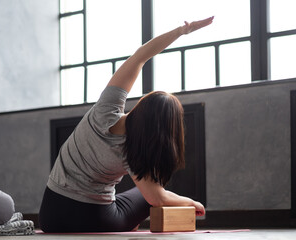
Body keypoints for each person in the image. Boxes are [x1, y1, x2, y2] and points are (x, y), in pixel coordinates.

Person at [39, 16, 214, 233]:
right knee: (146, 194)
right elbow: (156, 197)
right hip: (96, 219)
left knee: (139, 194)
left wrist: (180, 31)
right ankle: (129, 222)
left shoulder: (105, 109)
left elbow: (141, 56)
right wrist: (191, 202)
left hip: (50, 216)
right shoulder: (134, 150)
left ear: (141, 105)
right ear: (162, 132)